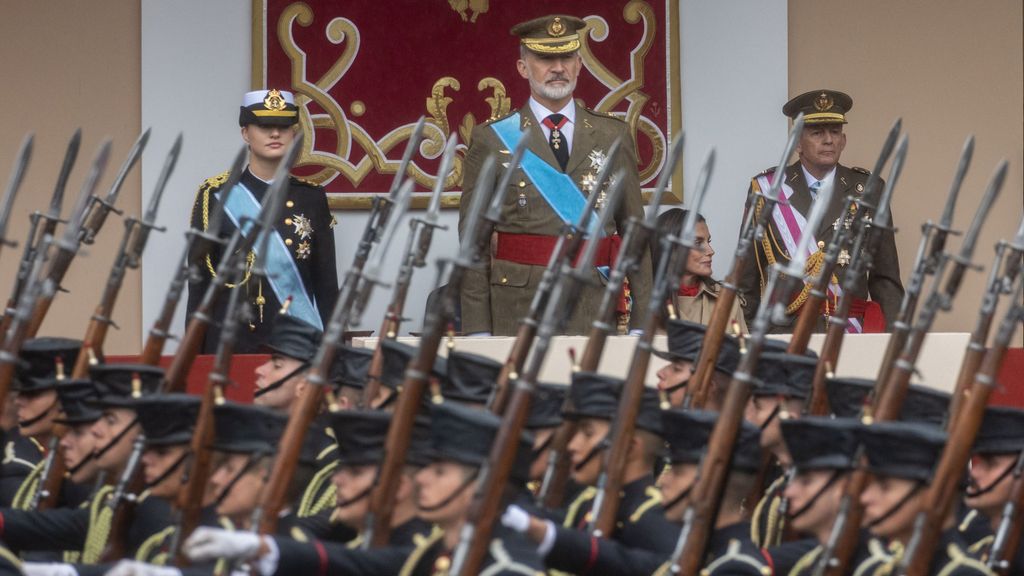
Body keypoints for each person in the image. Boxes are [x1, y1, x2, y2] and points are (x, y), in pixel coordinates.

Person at [459, 14, 652, 336]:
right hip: (518, 307)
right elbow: (473, 242)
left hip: (594, 303)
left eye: (566, 57)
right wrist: (478, 331)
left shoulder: (612, 135)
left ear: (579, 65)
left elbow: (635, 232)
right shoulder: (491, 139)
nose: (558, 67)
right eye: (545, 58)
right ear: (523, 67)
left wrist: (642, 322)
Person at [737, 89, 903, 333]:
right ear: (796, 143)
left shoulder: (869, 189)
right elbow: (747, 276)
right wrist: (754, 337)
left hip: (850, 333)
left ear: (843, 140)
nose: (829, 140)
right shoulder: (768, 190)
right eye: (817, 133)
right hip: (787, 335)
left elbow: (885, 277)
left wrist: (891, 339)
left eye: (835, 132)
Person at [187, 88, 339, 354]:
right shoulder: (216, 195)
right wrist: (193, 356)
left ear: (294, 133)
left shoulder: (311, 198)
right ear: (246, 133)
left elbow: (326, 285)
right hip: (229, 346)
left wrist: (333, 354)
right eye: (264, 125)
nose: (275, 133)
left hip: (295, 346)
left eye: (283, 126)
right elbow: (199, 285)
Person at [651, 209, 747, 332]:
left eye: (708, 241)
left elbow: (744, 349)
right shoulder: (642, 304)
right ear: (670, 248)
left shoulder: (727, 300)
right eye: (698, 243)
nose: (711, 251)